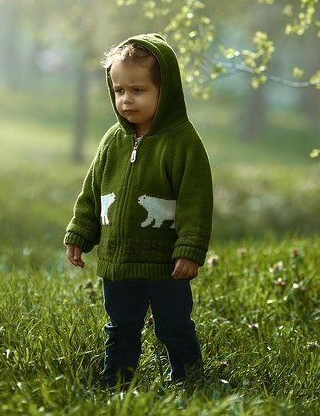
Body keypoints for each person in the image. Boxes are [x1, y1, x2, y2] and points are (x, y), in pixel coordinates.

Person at [63, 33, 213, 388]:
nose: (126, 100)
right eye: (119, 91)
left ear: (167, 91)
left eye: (139, 90)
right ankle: (116, 382)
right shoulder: (112, 141)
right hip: (118, 260)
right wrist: (80, 233)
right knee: (120, 326)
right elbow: (93, 192)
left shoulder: (182, 142)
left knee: (174, 326)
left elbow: (196, 201)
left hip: (166, 266)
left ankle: (189, 380)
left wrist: (190, 250)